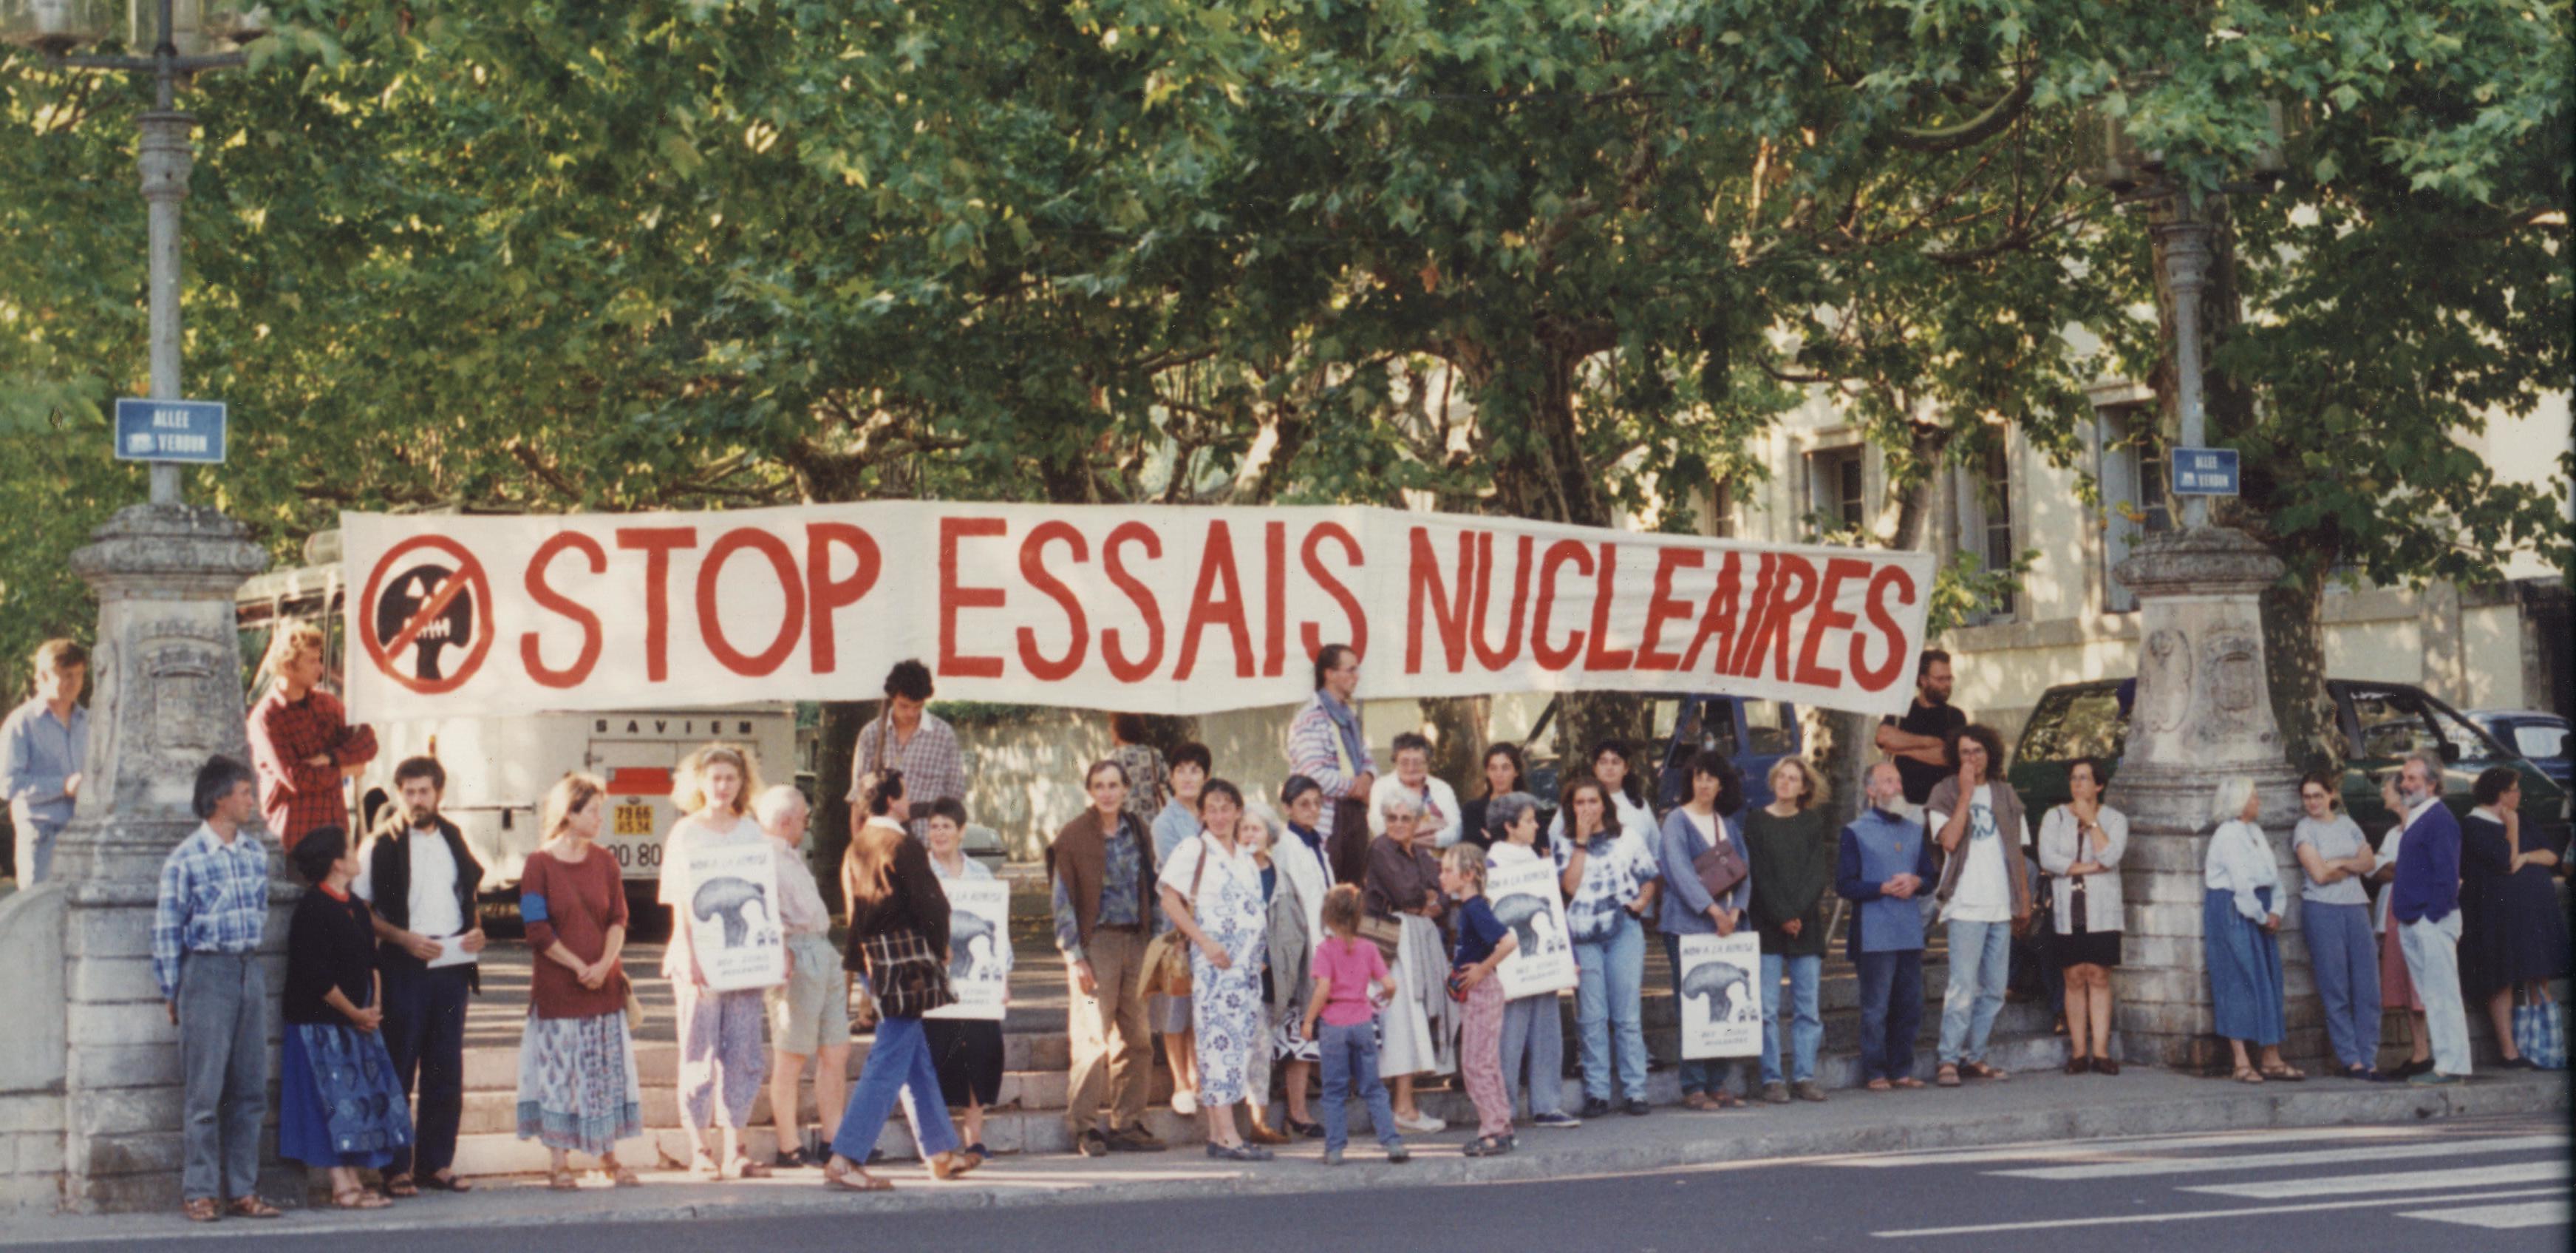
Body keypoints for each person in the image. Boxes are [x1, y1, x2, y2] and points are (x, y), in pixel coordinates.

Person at [824, 771, 983, 1190]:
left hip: (873, 960)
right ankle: (845, 1157)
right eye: (905, 794)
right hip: (906, 962)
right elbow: (932, 903)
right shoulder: (903, 845)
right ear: (893, 799)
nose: (908, 801)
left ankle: (941, 1151)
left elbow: (854, 909)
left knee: (915, 1057)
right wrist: (941, 944)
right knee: (891, 1055)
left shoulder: (857, 846)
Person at [153, 755, 281, 1222]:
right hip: (206, 973)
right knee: (204, 1092)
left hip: (249, 970)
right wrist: (172, 990)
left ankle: (243, 1189)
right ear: (219, 798)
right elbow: (168, 928)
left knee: (250, 1089)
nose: (252, 800)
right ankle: (200, 1190)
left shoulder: (253, 855)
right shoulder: (185, 860)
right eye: (245, 792)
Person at [356, 755, 485, 1195]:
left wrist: (477, 932)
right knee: (399, 1064)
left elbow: (467, 892)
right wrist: (404, 939)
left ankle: (437, 1163)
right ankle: (395, 1168)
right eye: (408, 792)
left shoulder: (453, 836)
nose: (416, 800)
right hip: (404, 965)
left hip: (450, 964)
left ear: (439, 793)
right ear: (398, 794)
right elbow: (362, 912)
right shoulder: (380, 844)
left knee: (445, 1067)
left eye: (423, 791)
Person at [515, 774, 643, 1187]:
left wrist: (604, 964)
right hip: (558, 992)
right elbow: (536, 929)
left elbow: (618, 919)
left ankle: (608, 1156)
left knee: (604, 1074)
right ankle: (559, 1162)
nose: (600, 819)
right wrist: (577, 966)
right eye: (593, 811)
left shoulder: (606, 861)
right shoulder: (539, 864)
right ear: (569, 814)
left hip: (603, 988)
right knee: (559, 1075)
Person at [280, 824, 413, 1209]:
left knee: (354, 1102)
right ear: (337, 862)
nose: (356, 853)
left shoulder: (355, 906)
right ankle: (342, 1185)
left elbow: (372, 960)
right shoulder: (312, 908)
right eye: (350, 849)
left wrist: (375, 1008)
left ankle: (353, 1178)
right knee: (330, 1105)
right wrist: (355, 1012)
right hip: (320, 1026)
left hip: (357, 1024)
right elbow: (316, 975)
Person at [658, 743, 774, 1178]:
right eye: (715, 777)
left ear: (743, 782)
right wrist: (689, 953)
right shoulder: (686, 833)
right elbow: (679, 903)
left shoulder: (752, 831)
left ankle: (736, 1148)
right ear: (699, 782)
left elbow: (765, 895)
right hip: (697, 960)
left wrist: (773, 951)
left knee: (743, 1051)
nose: (723, 786)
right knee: (698, 1051)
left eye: (731, 777)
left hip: (744, 960)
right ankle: (700, 1149)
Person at [1050, 758, 1165, 1155]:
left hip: (1136, 940)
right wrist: (1074, 955)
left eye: (1114, 785)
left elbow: (1151, 883)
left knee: (1137, 1038)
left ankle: (1128, 1122)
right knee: (1092, 1036)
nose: (1107, 792)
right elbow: (1062, 902)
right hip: (1095, 944)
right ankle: (1083, 1126)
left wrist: (1160, 939)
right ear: (1090, 790)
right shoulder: (1073, 837)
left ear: (1126, 789)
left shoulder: (1138, 830)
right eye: (1099, 785)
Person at [1157, 778, 1273, 1161]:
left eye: (1227, 808)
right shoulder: (1194, 848)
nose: (1220, 816)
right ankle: (1227, 1137)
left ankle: (1219, 1134)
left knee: (1238, 1048)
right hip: (1215, 966)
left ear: (1238, 811)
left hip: (1245, 972)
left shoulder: (1245, 856)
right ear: (1203, 814)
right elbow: (1169, 898)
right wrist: (1203, 942)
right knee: (1216, 1045)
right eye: (1213, 809)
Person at [1925, 724, 2029, 1088]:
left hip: (2001, 904)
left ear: (1990, 755)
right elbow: (1950, 841)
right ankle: (1948, 1058)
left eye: (1979, 751)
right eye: (1966, 752)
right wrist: (1966, 795)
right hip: (1966, 904)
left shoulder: (2005, 793)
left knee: (1995, 989)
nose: (1973, 758)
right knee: (1962, 986)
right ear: (1957, 757)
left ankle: (1975, 1055)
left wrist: (2024, 902)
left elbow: (2017, 852)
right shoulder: (1945, 792)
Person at [757, 783, 850, 1167]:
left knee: (836, 1049)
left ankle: (834, 1138)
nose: (806, 825)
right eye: (802, 819)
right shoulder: (765, 859)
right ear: (784, 821)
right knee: (791, 1052)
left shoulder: (791, 856)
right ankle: (788, 1144)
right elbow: (764, 911)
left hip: (821, 948)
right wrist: (781, 951)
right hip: (796, 950)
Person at [1556, 775, 1659, 1117]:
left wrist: (1641, 903)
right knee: (1592, 1016)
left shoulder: (1626, 836)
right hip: (1583, 933)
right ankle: (1597, 1091)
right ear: (1572, 807)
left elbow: (1648, 876)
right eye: (1580, 802)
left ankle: (1636, 1090)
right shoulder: (1564, 841)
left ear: (1605, 804)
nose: (1587, 808)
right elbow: (1569, 888)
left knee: (1627, 1014)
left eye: (1593, 801)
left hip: (1622, 930)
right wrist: (1581, 843)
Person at [1656, 750, 1752, 1110]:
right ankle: (1693, 1085)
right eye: (1698, 777)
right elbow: (1679, 873)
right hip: (1687, 927)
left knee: (1725, 1000)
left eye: (1712, 777)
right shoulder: (1676, 822)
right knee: (1692, 1007)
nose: (1705, 783)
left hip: (1726, 929)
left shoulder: (1727, 825)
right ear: (1690, 782)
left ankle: (1718, 1082)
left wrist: (1736, 911)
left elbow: (1745, 873)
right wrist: (1713, 911)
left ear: (1722, 784)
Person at [2459, 767, 2566, 1069]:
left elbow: (2550, 855)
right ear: (2500, 794)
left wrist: (2527, 856)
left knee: (2537, 974)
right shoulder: (2475, 825)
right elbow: (2506, 861)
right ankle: (2510, 1052)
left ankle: (2543, 1049)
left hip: (2528, 914)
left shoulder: (2524, 818)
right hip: (2495, 914)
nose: (2519, 795)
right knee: (2502, 979)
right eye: (2515, 790)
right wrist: (2513, 830)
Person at [1839, 762, 1938, 1092]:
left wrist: (1916, 881)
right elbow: (1845, 884)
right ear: (1871, 790)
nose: (1896, 787)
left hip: (1908, 930)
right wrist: (1880, 888)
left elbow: (1930, 876)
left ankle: (1901, 1069)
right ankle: (1875, 1071)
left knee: (1909, 1004)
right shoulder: (1855, 831)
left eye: (1898, 780)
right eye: (1887, 781)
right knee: (1876, 1007)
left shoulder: (1913, 830)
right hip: (1874, 931)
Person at [1485, 792, 1580, 1129]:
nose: (1536, 825)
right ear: (1509, 826)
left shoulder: (1537, 861)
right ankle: (1503, 1109)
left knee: (1547, 1031)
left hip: (1540, 962)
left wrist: (1569, 957)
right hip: (1509, 965)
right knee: (1509, 1037)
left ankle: (1547, 1104)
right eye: (1528, 820)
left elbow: (1553, 909)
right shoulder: (1492, 864)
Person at [1744, 756, 1834, 1104]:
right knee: (1766, 1009)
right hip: (1768, 924)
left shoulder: (1812, 822)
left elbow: (1816, 874)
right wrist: (1782, 914)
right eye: (1781, 776)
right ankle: (1771, 1078)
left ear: (1804, 787)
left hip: (1805, 926)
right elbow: (1760, 874)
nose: (1785, 782)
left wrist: (1796, 914)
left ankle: (1804, 1076)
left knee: (1807, 1008)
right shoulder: (1756, 821)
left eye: (1793, 778)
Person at [921, 797, 1008, 1155]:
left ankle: (975, 1139)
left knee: (982, 1054)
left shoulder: (980, 875)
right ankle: (940, 1142)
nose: (940, 833)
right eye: (934, 827)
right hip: (934, 978)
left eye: (947, 826)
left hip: (976, 985)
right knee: (938, 1054)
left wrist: (1003, 977)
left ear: (960, 832)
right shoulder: (920, 873)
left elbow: (998, 929)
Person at [2204, 777, 2303, 1083]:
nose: (2258, 801)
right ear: (2240, 801)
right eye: (2254, 796)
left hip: (2258, 907)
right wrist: (2261, 916)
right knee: (2238, 980)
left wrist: (2276, 908)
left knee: (2268, 979)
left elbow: (2271, 875)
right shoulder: (2227, 835)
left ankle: (2271, 1057)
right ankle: (2241, 1060)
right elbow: (2241, 883)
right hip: (2235, 909)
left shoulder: (2255, 831)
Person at [1366, 791, 1454, 1132]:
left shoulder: (1420, 852)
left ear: (1417, 823)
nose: (1398, 825)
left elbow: (1443, 890)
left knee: (1414, 1020)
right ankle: (1402, 1109)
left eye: (1405, 819)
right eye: (1392, 818)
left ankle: (1406, 1106)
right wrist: (1423, 898)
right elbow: (1407, 894)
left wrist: (1433, 900)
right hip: (1391, 943)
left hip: (1416, 940)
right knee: (1401, 1022)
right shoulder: (1380, 849)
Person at [246, 624, 378, 852]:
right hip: (293, 838)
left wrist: (330, 757)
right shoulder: (267, 717)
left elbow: (368, 742)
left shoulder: (327, 704)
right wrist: (347, 769)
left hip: (335, 832)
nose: (320, 668)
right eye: (312, 661)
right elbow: (298, 778)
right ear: (288, 666)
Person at [1301, 883, 1407, 1166]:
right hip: (1362, 1022)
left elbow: (1323, 988)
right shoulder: (1369, 948)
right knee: (1373, 1086)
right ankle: (1392, 1142)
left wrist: (1309, 1019)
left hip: (1334, 1024)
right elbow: (1389, 983)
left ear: (1328, 918)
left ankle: (1335, 1148)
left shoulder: (1325, 950)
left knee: (1334, 1091)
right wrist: (1387, 996)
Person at [2037, 758, 2130, 1075]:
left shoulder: (2115, 819)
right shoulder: (2056, 816)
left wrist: (2091, 822)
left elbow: (2111, 854)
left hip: (2101, 910)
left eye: (2085, 778)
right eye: (2074, 778)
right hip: (2068, 907)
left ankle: (2101, 1052)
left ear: (2099, 785)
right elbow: (2048, 859)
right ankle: (2078, 1052)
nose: (2078, 784)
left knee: (2098, 976)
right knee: (2074, 976)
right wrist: (2089, 868)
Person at [2291, 771, 2382, 1080]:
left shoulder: (2347, 823)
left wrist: (2339, 864)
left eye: (2318, 795)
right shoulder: (2304, 829)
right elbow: (2318, 874)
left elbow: (2369, 864)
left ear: (2331, 795)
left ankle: (2369, 1058)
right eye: (2307, 797)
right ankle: (2351, 1060)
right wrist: (2347, 864)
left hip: (2355, 907)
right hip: (2323, 909)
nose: (2313, 802)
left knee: (2368, 987)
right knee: (2336, 987)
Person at [2391, 751, 2471, 1084]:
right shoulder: (2418, 815)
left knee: (2442, 994)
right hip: (2415, 919)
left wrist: (2432, 916)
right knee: (2432, 994)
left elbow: (2447, 873)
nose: (2405, 784)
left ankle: (2452, 1066)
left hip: (2431, 919)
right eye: (2404, 778)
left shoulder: (2438, 819)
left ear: (2433, 783)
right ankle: (2446, 1063)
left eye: (2413, 778)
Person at [1442, 844, 1520, 1156]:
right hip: (1479, 990)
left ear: (1468, 875)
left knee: (1476, 1064)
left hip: (1482, 991)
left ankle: (1493, 1131)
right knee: (1484, 1062)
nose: (1442, 876)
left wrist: (1481, 971)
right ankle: (1501, 1126)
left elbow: (1509, 940)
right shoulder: (1469, 908)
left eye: (1448, 870)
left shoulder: (1474, 908)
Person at [1148, 741, 1213, 1117]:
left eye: (1196, 771)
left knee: (1199, 1004)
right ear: (1170, 778)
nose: (1189, 778)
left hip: (1209, 924)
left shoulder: (1212, 815)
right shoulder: (1165, 822)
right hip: (1176, 923)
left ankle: (1200, 1076)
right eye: (1181, 771)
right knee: (1176, 1004)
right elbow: (1181, 874)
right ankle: (1181, 1083)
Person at [1268, 777, 1333, 1137]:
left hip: (1324, 944)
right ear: (1288, 808)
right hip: (1303, 948)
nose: (1311, 810)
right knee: (1299, 1026)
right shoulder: (1288, 847)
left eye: (1316, 803)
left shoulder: (1316, 845)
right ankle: (1297, 1110)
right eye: (1303, 804)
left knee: (1311, 1025)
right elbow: (1295, 906)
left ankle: (1304, 1103)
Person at [1230, 806, 1296, 1145]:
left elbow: (1289, 923)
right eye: (1244, 829)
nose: (1250, 835)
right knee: (1240, 1046)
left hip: (1271, 978)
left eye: (1256, 829)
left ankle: (1260, 1122)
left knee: (1262, 1048)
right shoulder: (1232, 870)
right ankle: (1231, 1125)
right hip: (1237, 973)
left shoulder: (1279, 874)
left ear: (1270, 834)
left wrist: (1274, 959)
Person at [1287, 642, 1377, 884]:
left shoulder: (1349, 717)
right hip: (1328, 816)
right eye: (1350, 670)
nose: (1356, 677)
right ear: (1329, 674)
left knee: (1352, 891)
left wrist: (1367, 778)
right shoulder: (1310, 718)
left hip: (1355, 813)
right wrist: (1355, 788)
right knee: (1326, 889)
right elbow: (1313, 776)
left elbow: (1368, 758)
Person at [847, 659, 966, 841]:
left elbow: (955, 798)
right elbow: (858, 799)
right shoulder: (871, 735)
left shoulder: (944, 735)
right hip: (882, 845)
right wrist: (859, 847)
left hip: (929, 843)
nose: (911, 713)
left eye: (918, 706)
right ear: (892, 697)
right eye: (904, 705)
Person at [1, 638, 88, 886]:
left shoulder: (91, 722)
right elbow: (8, 785)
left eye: (80, 674)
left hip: (83, 838)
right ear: (42, 677)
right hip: (42, 840)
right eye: (67, 675)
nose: (75, 683)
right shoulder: (21, 723)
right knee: (37, 916)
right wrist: (63, 786)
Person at [2368, 770, 2433, 1079]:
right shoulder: (2394, 833)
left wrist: (2390, 867)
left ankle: (2431, 1053)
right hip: (2392, 912)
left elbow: (2410, 870)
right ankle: (2419, 1051)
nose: (2383, 792)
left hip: (2415, 912)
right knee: (2405, 986)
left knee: (2421, 985)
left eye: (2386, 788)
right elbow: (2374, 869)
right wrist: (2389, 867)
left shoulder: (2419, 828)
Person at [1874, 650, 1965, 809]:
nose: (1947, 685)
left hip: (1941, 807)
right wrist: (1929, 742)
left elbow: (1947, 756)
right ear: (1923, 680)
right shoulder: (1901, 711)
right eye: (1940, 679)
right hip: (1901, 805)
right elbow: (1883, 738)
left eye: (1949, 678)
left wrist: (1902, 749)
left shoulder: (1955, 717)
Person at [1548, 740, 1660, 846]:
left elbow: (1656, 847)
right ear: (1595, 768)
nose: (1609, 768)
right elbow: (1554, 836)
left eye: (1616, 762)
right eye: (1603, 762)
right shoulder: (1579, 801)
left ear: (1626, 769)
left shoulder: (1639, 804)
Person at [1369, 732, 1463, 849]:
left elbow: (1456, 830)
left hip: (1438, 859)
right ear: (1395, 762)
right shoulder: (1381, 786)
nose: (1411, 768)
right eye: (1404, 762)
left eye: (1417, 763)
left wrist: (1407, 836)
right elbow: (1380, 827)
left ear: (1428, 762)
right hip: (1395, 858)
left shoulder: (1442, 788)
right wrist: (1432, 826)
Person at [1458, 743, 1544, 851]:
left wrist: (1491, 838)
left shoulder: (1531, 808)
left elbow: (1539, 850)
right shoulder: (1473, 810)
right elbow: (1472, 851)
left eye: (1505, 768)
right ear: (1487, 772)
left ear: (1516, 772)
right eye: (1493, 768)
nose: (1499, 774)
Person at [1107, 713, 1168, 838]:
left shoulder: (1113, 758)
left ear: (1119, 731)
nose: (1109, 731)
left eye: (1112, 727)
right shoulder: (1154, 754)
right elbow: (1169, 781)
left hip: (1125, 827)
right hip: (1153, 826)